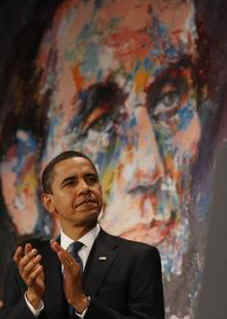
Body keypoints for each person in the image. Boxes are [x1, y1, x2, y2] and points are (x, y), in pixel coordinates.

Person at [0, 150, 165, 319]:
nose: (85, 188)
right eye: (70, 183)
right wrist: (33, 299)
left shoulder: (139, 258)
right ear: (49, 202)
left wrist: (81, 302)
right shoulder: (30, 263)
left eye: (91, 180)